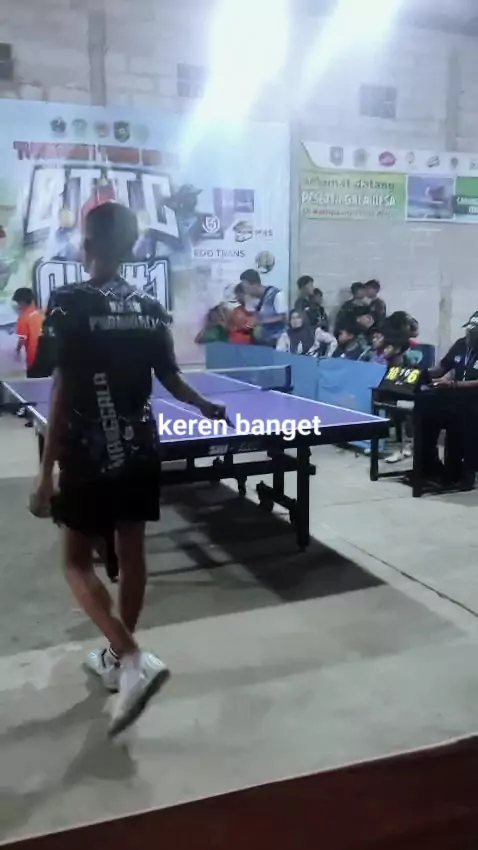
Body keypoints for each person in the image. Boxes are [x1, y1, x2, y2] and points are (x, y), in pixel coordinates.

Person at [29, 202, 229, 738]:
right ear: (133, 246)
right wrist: (205, 406)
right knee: (133, 550)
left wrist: (46, 473)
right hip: (140, 447)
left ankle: (130, 654)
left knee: (76, 561)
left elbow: (59, 387)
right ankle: (120, 659)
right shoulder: (150, 307)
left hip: (88, 451)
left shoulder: (69, 301)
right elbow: (172, 378)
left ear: (87, 244)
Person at [417, 311, 478, 486]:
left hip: (474, 401)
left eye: (474, 332)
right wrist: (421, 373)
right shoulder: (461, 344)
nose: (469, 335)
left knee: (467, 419)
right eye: (469, 330)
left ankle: (467, 473)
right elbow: (442, 368)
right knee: (427, 411)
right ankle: (431, 465)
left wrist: (453, 384)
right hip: (456, 396)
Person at [240, 268, 287, 346]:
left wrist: (261, 322)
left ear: (255, 285)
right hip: (259, 341)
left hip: (276, 341)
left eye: (246, 287)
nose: (245, 291)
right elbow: (254, 317)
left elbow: (284, 318)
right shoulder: (251, 298)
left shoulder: (277, 295)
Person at [13, 287, 44, 378]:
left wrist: (17, 351)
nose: (17, 305)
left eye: (17, 302)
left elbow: (22, 339)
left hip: (33, 358)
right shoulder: (41, 312)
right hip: (47, 355)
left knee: (34, 383)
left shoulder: (23, 318)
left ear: (22, 302)